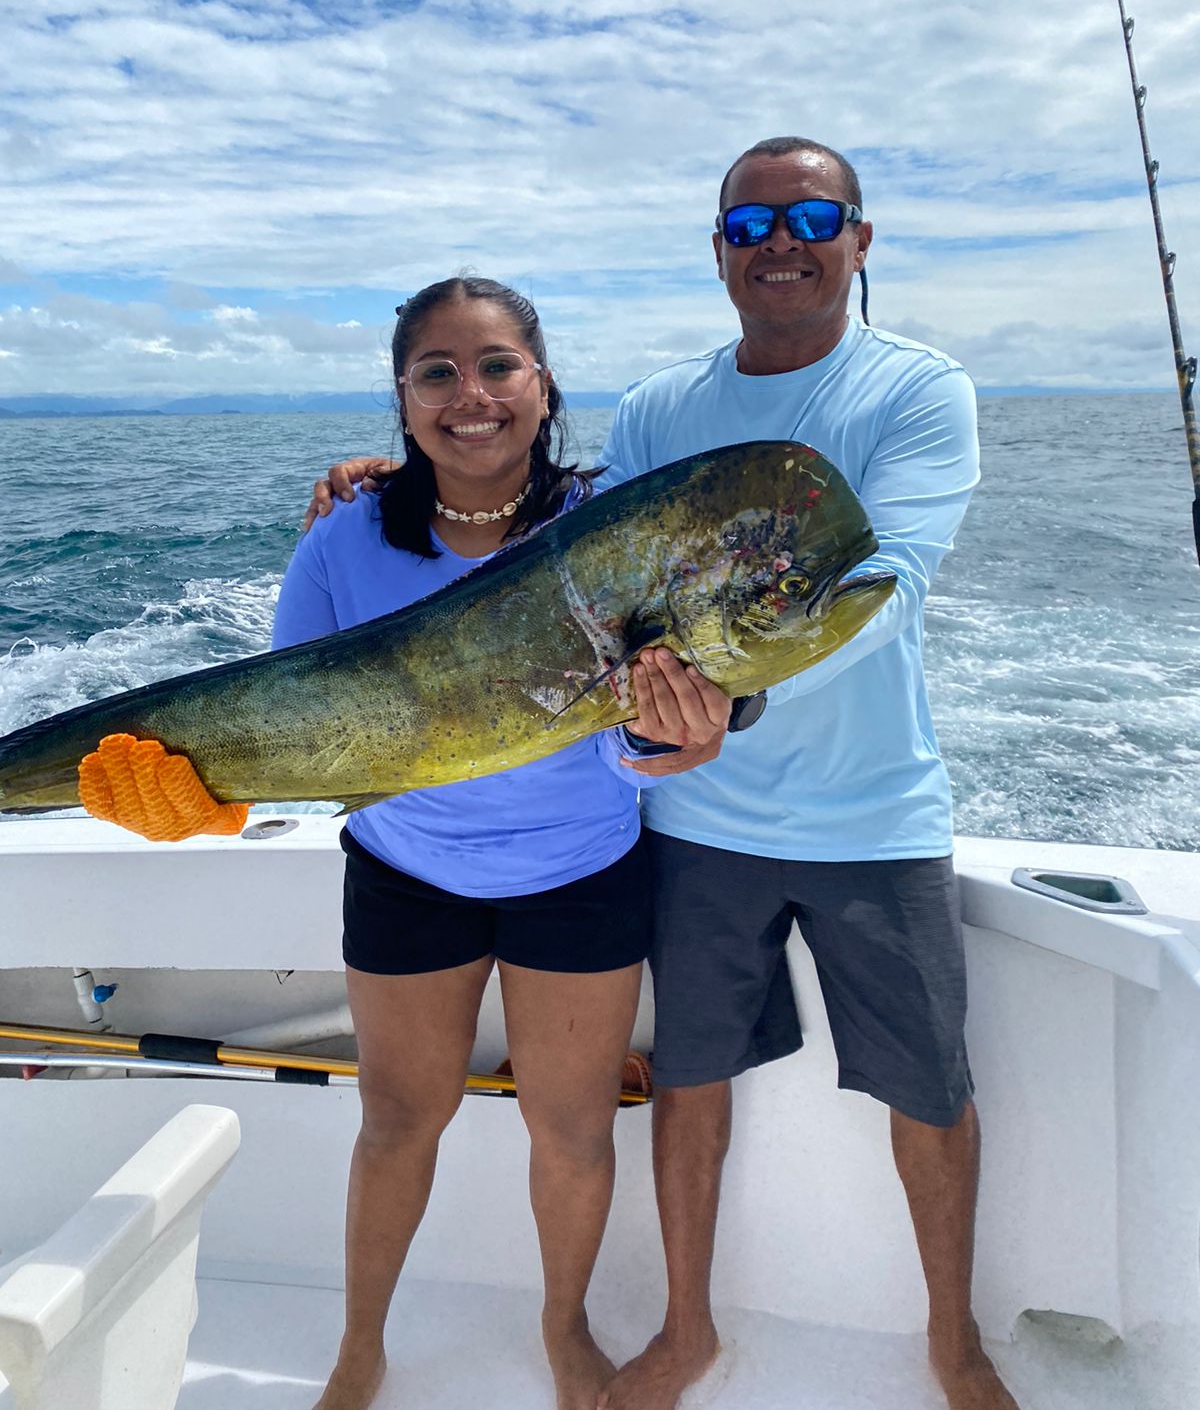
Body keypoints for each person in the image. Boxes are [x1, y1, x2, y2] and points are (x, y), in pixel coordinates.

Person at [311, 140, 1021, 1410]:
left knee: (930, 1084)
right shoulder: (658, 412)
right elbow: (562, 555)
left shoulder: (920, 392)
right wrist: (398, 477)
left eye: (813, 216)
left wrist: (730, 700)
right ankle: (687, 1333)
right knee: (689, 1079)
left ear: (862, 239)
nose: (781, 240)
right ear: (718, 250)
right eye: (752, 221)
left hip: (872, 811)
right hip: (691, 811)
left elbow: (888, 586)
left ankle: (954, 1349)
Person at [78, 275, 730, 1410]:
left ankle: (562, 1328)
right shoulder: (344, 535)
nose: (469, 394)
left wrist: (694, 728)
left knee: (571, 1132)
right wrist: (209, 793)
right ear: (402, 397)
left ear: (543, 385)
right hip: (405, 875)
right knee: (395, 1122)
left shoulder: (617, 525)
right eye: (438, 371)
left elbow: (666, 705)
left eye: (497, 367)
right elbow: (289, 711)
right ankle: (361, 1346)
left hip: (580, 873)